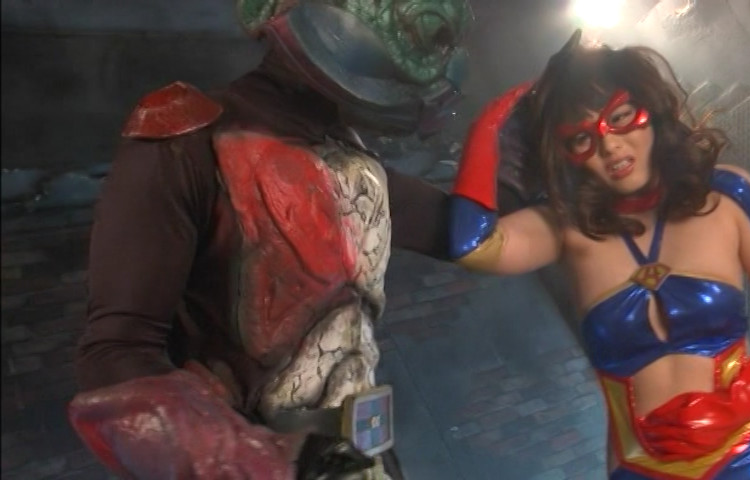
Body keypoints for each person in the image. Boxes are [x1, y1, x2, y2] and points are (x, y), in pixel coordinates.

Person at [67, 1, 474, 479]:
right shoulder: (189, 142)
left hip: (362, 454)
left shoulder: (357, 163)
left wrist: (527, 127)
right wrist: (264, 461)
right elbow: (116, 356)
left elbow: (468, 230)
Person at [448, 30, 750, 479]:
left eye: (620, 117)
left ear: (651, 111)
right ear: (567, 153)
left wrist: (735, 405)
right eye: (582, 138)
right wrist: (488, 126)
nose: (610, 145)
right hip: (642, 467)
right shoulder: (567, 228)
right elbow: (472, 246)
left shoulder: (727, 195)